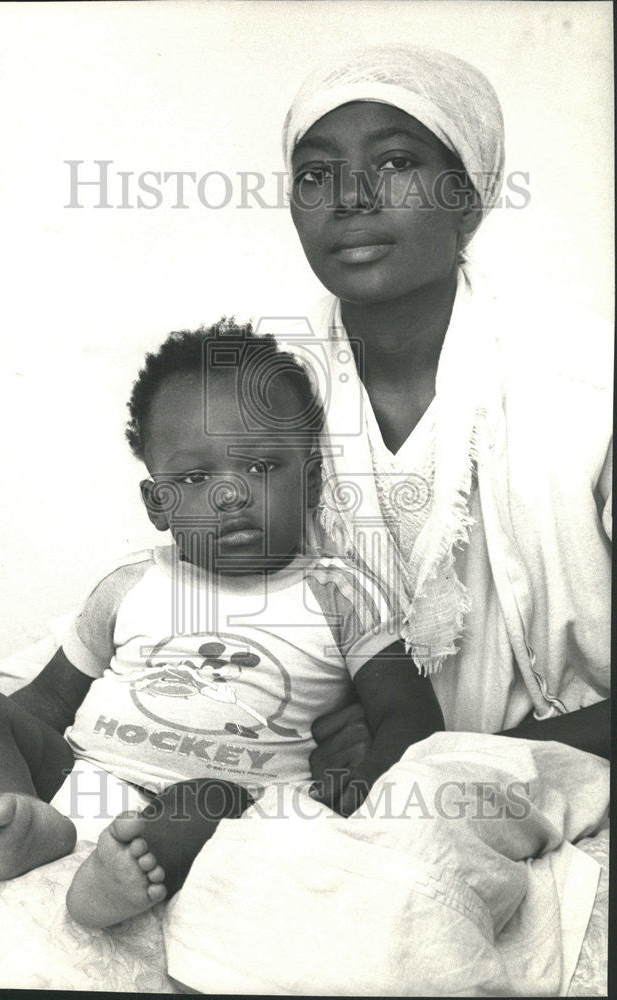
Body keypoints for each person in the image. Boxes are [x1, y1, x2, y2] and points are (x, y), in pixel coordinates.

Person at [0, 323, 444, 929]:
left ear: (312, 482)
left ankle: (131, 869)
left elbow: (410, 713)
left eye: (264, 466)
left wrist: (363, 793)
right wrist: (5, 749)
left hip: (229, 803)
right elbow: (47, 702)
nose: (231, 494)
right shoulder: (130, 584)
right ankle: (25, 818)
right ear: (156, 504)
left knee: (204, 799)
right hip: (84, 779)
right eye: (193, 479)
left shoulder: (339, 592)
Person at [277, 44, 611, 805]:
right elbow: (243, 623)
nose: (350, 196)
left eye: (394, 162)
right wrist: (339, 721)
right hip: (361, 787)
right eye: (315, 174)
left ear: (467, 197)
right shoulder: (271, 397)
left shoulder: (587, 381)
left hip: (572, 773)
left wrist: (448, 759)